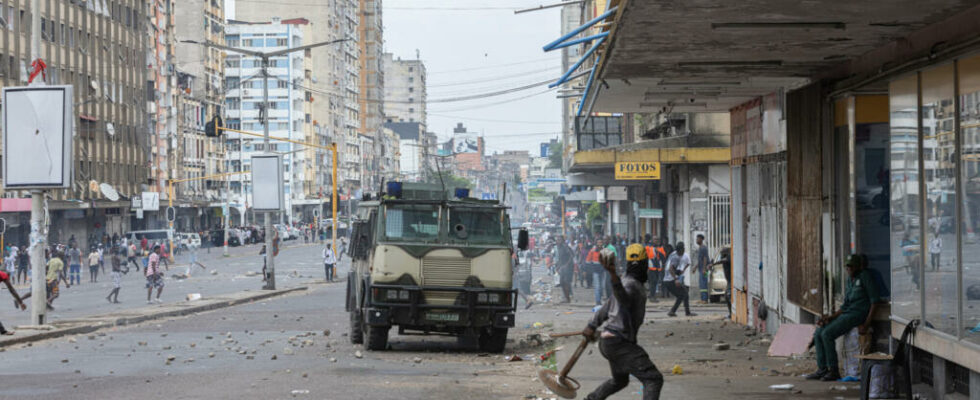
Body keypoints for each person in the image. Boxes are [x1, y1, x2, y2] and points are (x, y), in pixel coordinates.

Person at [581, 244, 664, 400]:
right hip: (619, 342)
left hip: (609, 342)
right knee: (653, 378)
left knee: (620, 380)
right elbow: (623, 298)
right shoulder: (631, 285)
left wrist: (591, 325)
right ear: (645, 264)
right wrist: (613, 275)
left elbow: (606, 308)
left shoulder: (627, 281)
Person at [804, 254, 881, 382]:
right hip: (847, 313)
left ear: (858, 266)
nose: (848, 268)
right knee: (819, 332)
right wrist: (830, 317)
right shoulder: (850, 280)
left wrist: (866, 324)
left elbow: (875, 302)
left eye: (851, 266)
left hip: (857, 314)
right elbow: (845, 306)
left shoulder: (865, 277)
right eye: (847, 266)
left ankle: (833, 371)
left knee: (827, 334)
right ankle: (822, 369)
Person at [665, 242, 696, 317]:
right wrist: (676, 279)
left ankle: (687, 312)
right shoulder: (675, 257)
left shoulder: (674, 254)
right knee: (682, 294)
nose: (683, 251)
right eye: (683, 249)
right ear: (680, 250)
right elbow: (670, 269)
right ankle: (673, 311)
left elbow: (686, 264)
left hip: (668, 279)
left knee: (684, 293)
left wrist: (682, 271)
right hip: (670, 280)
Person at [0, 270, 28, 335]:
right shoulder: (4, 275)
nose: (9, 280)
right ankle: (3, 331)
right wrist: (21, 302)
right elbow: (12, 290)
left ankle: (2, 331)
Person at [557, 238, 575, 303]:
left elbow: (571, 255)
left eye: (559, 240)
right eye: (557, 240)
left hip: (568, 267)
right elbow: (560, 258)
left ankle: (567, 298)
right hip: (563, 267)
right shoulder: (559, 248)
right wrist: (558, 266)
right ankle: (567, 296)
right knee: (562, 282)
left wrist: (567, 264)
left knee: (566, 282)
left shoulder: (565, 247)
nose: (558, 241)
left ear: (563, 241)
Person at [694, 234, 711, 303]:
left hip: (704, 269)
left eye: (698, 239)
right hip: (701, 269)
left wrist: (704, 269)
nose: (696, 240)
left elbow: (705, 258)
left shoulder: (703, 248)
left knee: (703, 283)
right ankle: (702, 299)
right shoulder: (700, 248)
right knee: (701, 284)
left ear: (701, 239)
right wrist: (695, 267)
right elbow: (700, 260)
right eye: (696, 239)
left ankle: (705, 299)